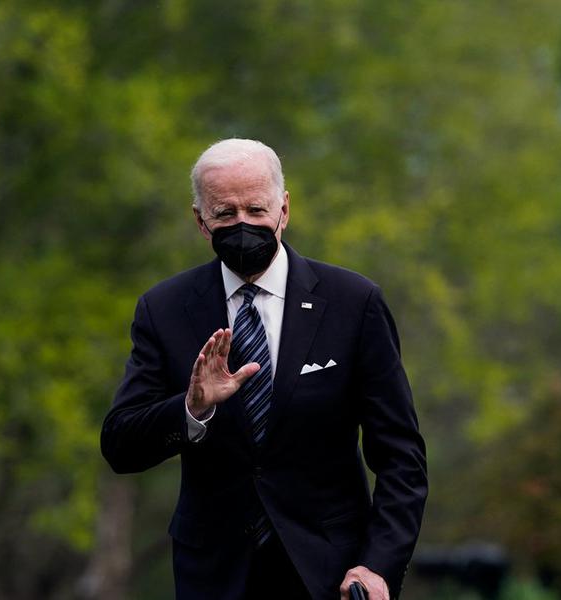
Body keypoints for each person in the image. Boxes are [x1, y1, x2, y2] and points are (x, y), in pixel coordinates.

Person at [101, 138, 427, 599]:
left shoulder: (353, 304)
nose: (243, 224)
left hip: (330, 573)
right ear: (200, 220)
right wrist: (192, 410)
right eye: (225, 213)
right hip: (214, 575)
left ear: (284, 209)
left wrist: (379, 565)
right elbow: (120, 445)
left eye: (256, 209)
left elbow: (401, 457)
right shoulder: (165, 309)